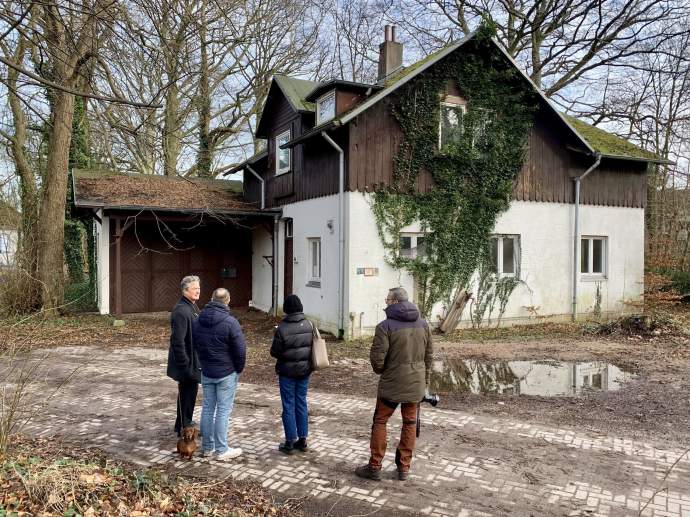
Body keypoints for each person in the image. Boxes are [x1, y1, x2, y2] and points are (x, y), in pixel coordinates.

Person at [355, 287, 433, 481]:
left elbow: (377, 361)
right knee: (409, 423)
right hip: (415, 384)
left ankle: (374, 467)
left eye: (388, 299)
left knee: (380, 421)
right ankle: (404, 469)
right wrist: (424, 382)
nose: (386, 302)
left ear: (396, 302)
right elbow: (429, 356)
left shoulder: (385, 326)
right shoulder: (424, 324)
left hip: (391, 384)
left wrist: (384, 371)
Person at [193, 288, 246, 460]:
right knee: (223, 410)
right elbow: (240, 350)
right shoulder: (231, 322)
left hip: (207, 371)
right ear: (228, 300)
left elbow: (195, 343)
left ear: (211, 298)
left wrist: (203, 362)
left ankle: (208, 448)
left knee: (208, 408)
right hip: (226, 372)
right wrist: (238, 368)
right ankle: (222, 450)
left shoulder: (198, 319)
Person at [270, 294, 313, 455]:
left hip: (286, 372)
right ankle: (303, 440)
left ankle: (289, 441)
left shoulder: (282, 328)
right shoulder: (309, 324)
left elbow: (275, 352)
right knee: (301, 402)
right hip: (304, 371)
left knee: (288, 405)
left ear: (287, 309)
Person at [167, 275, 201, 437]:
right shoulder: (181, 310)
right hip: (186, 362)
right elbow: (177, 340)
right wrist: (185, 363)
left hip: (192, 359)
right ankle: (184, 425)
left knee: (190, 392)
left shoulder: (192, 306)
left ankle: (182, 422)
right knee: (187, 393)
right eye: (195, 289)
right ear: (185, 290)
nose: (198, 292)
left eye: (199, 289)